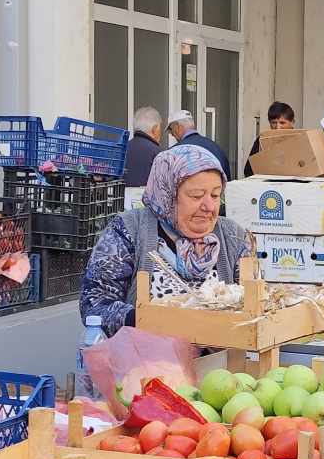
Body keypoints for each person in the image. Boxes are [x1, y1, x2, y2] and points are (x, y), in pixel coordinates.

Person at [79, 144, 250, 336]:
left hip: (220, 352)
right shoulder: (129, 230)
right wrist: (148, 319)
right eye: (196, 196)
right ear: (167, 195)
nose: (209, 206)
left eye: (215, 195)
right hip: (146, 351)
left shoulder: (234, 236)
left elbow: (254, 302)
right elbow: (95, 303)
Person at [164, 111, 231, 178]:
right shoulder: (217, 148)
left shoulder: (172, 153)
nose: (171, 134)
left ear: (177, 127)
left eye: (170, 129)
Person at [244, 101, 298, 177]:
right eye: (274, 123)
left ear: (292, 122)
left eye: (282, 123)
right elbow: (248, 170)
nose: (278, 127)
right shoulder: (262, 140)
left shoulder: (301, 139)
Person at [124, 106, 163, 188]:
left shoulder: (122, 149)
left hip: (121, 195)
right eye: (160, 128)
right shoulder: (157, 153)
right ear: (155, 129)